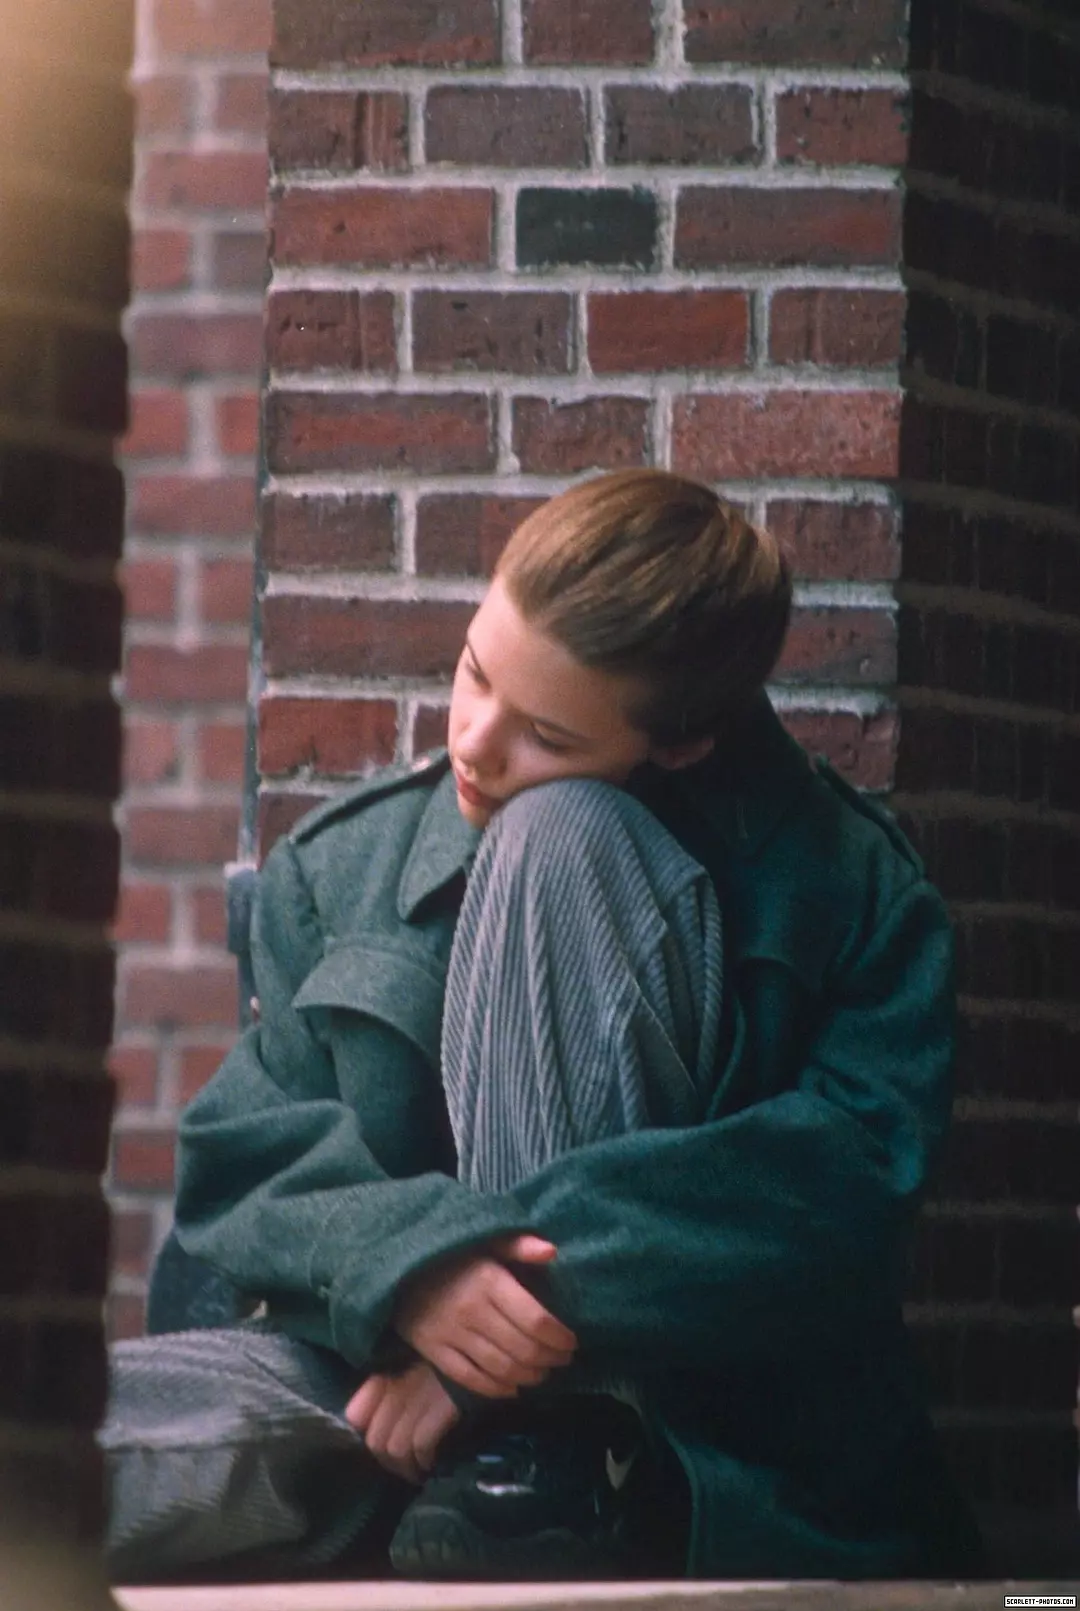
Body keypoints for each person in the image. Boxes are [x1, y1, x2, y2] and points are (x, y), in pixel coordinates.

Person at [102, 470, 981, 1584]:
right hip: (383, 1396)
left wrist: (518, 1326)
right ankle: (496, 1472)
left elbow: (836, 1196)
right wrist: (416, 1272)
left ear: (679, 743)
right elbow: (242, 1158)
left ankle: (551, 1451)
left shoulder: (854, 892)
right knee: (70, 1432)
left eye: (546, 732)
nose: (474, 743)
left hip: (689, 1432)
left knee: (556, 836)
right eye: (476, 671)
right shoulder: (342, 867)